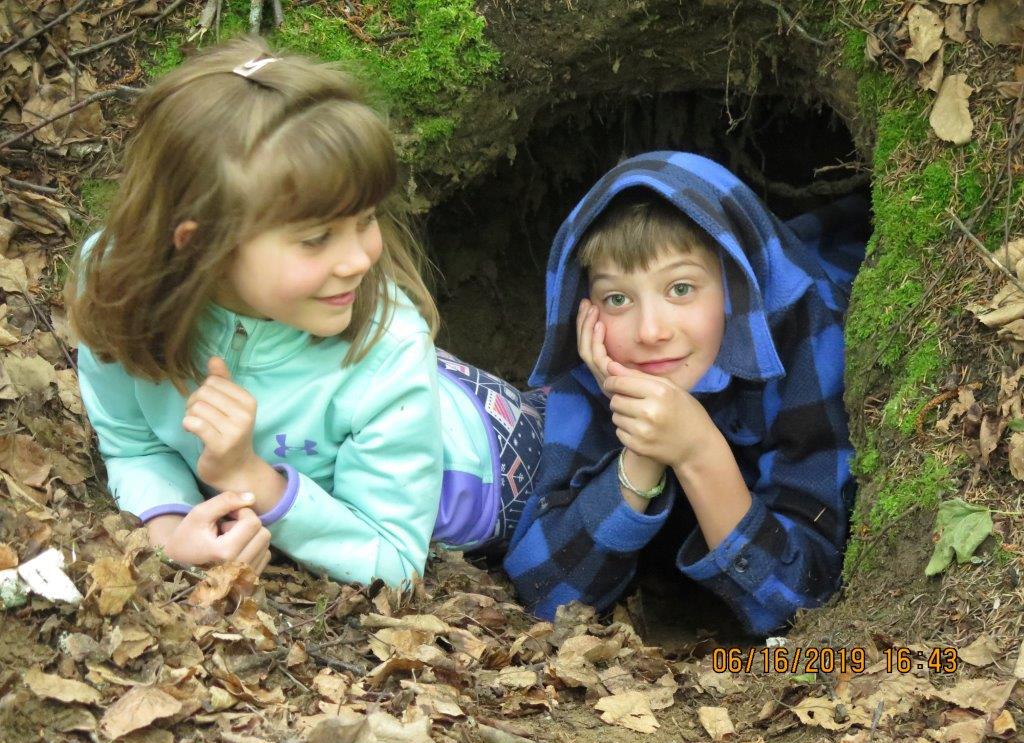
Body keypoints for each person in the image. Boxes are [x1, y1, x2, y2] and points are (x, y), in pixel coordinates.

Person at [66, 37, 543, 587]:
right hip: (408, 396)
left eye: (366, 219)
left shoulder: (389, 350)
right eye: (317, 238)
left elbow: (394, 560)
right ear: (199, 246)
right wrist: (173, 529)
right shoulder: (114, 280)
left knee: (586, 445)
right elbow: (134, 441)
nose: (362, 257)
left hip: (494, 469)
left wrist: (253, 480)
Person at [503, 152, 870, 635]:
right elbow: (545, 591)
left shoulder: (810, 334)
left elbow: (804, 598)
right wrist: (643, 452)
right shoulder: (601, 361)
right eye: (618, 299)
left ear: (735, 284)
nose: (650, 331)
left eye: (680, 288)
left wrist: (698, 451)